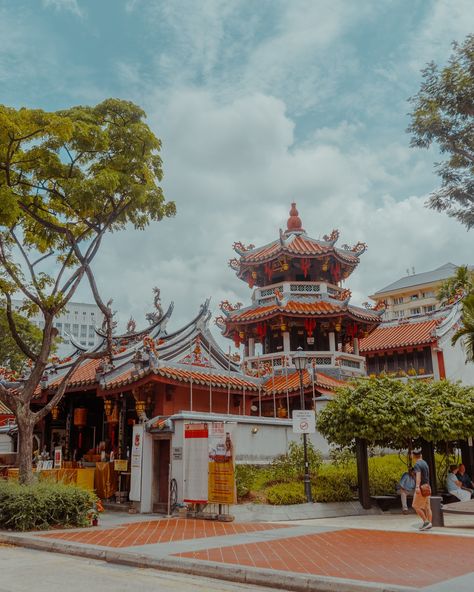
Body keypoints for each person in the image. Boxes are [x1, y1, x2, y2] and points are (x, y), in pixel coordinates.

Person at [411, 449, 432, 531]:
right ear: (421, 455)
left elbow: (418, 476)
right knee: (427, 507)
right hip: (427, 486)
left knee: (415, 506)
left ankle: (426, 522)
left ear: (413, 456)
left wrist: (417, 487)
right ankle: (429, 523)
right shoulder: (425, 463)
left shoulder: (417, 464)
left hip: (421, 488)